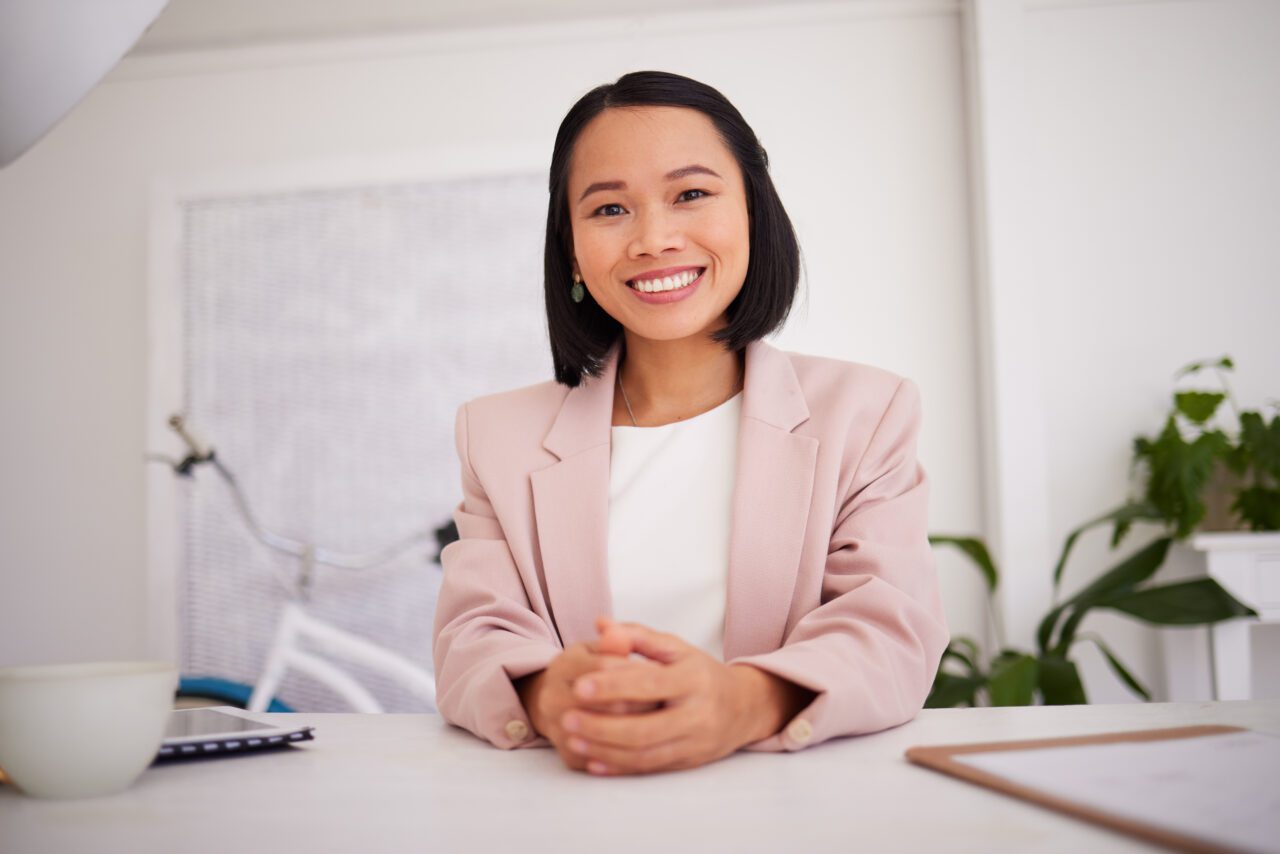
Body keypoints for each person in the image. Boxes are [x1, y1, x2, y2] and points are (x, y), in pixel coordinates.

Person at [432, 70, 948, 777]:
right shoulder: (495, 435)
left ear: (753, 213)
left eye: (691, 194)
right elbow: (473, 635)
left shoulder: (867, 413)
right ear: (571, 249)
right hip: (574, 802)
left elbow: (891, 633)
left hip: (794, 807)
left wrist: (741, 701)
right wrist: (554, 694)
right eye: (610, 210)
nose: (653, 239)